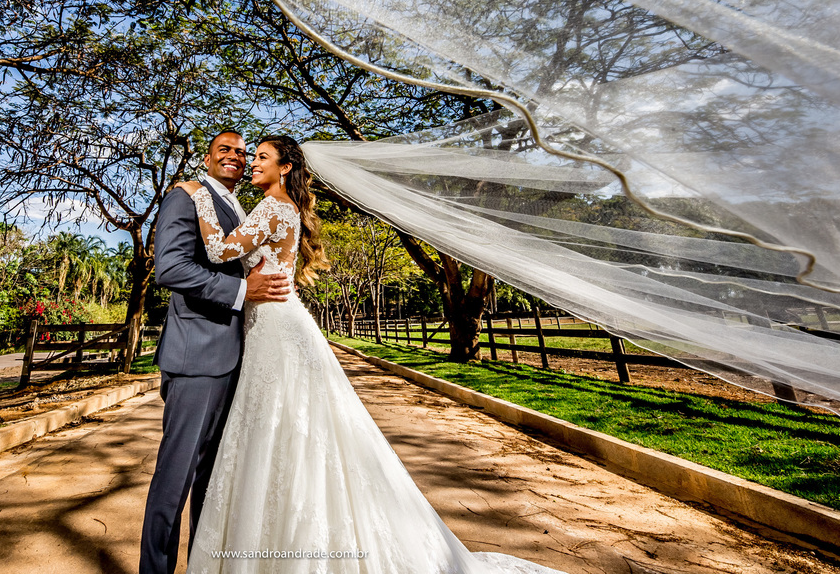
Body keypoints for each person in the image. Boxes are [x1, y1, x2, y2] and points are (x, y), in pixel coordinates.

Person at [175, 135, 564, 574]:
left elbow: (219, 250)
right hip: (277, 327)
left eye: (262, 157)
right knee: (291, 432)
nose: (252, 165)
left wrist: (199, 196)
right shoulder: (281, 207)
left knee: (279, 431)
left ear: (285, 168)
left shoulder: (272, 206)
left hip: (277, 331)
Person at [140, 130, 293, 574]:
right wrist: (243, 289)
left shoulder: (238, 205)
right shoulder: (185, 196)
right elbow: (170, 267)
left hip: (236, 358)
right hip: (197, 356)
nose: (235, 157)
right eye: (224, 150)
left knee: (213, 480)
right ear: (207, 158)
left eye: (243, 154)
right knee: (176, 479)